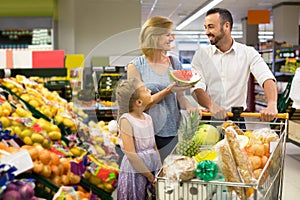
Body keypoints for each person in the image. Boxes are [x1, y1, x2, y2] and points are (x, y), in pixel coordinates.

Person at [127, 16, 201, 162]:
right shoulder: (135, 66)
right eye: (167, 34)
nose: (171, 38)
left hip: (171, 132)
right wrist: (167, 91)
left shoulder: (174, 63)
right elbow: (138, 106)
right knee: (151, 178)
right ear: (153, 36)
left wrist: (190, 106)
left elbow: (180, 97)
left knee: (169, 175)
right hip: (146, 134)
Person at [191, 8, 278, 122]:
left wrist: (272, 104)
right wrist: (211, 105)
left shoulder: (248, 53)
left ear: (226, 26)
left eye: (211, 26)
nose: (207, 32)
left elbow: (266, 77)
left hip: (236, 119)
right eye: (206, 27)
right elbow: (197, 87)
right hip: (207, 118)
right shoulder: (201, 56)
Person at [116, 78, 160, 200]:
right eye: (146, 90)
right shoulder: (126, 120)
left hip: (152, 166)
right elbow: (131, 154)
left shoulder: (148, 118)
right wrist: (148, 175)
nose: (150, 91)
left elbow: (154, 146)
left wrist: (158, 170)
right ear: (139, 102)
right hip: (135, 171)